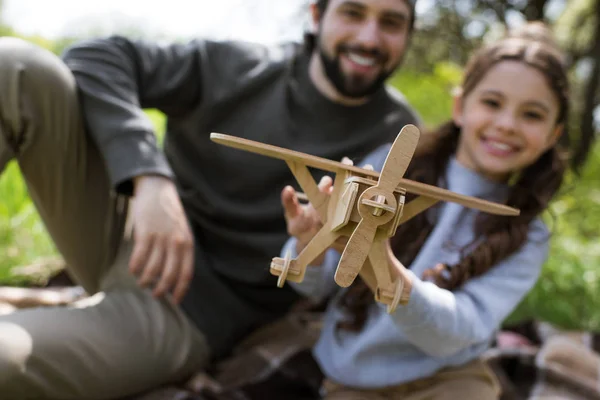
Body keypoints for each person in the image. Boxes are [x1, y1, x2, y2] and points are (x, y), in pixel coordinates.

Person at [0, 0, 420, 398]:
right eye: (352, 12)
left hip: (183, 314)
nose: (369, 38)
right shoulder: (237, 66)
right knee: (17, 66)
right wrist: (149, 176)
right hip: (126, 227)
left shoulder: (399, 136)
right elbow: (98, 57)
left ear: (408, 35)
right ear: (317, 15)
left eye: (391, 22)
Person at [281, 21, 570, 399]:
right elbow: (314, 285)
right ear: (460, 106)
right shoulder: (388, 166)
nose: (506, 124)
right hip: (354, 372)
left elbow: (456, 334)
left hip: (450, 373)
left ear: (553, 134)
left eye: (531, 114)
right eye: (492, 103)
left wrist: (384, 266)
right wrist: (308, 245)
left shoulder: (528, 236)